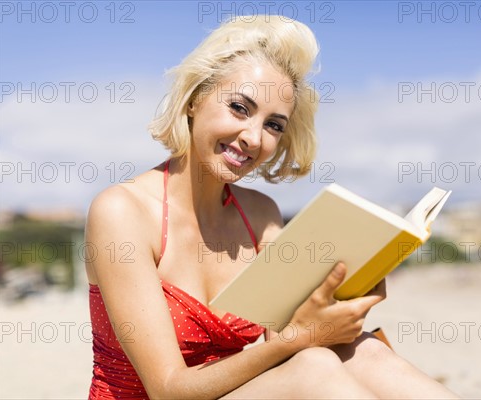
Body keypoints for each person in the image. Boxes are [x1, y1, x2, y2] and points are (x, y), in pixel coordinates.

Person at [85, 15, 459, 399]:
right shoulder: (121, 211)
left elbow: (285, 341)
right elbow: (168, 389)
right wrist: (296, 340)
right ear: (196, 99)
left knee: (364, 352)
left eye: (274, 126)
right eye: (239, 108)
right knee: (315, 366)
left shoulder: (260, 215)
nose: (253, 137)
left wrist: (337, 307)